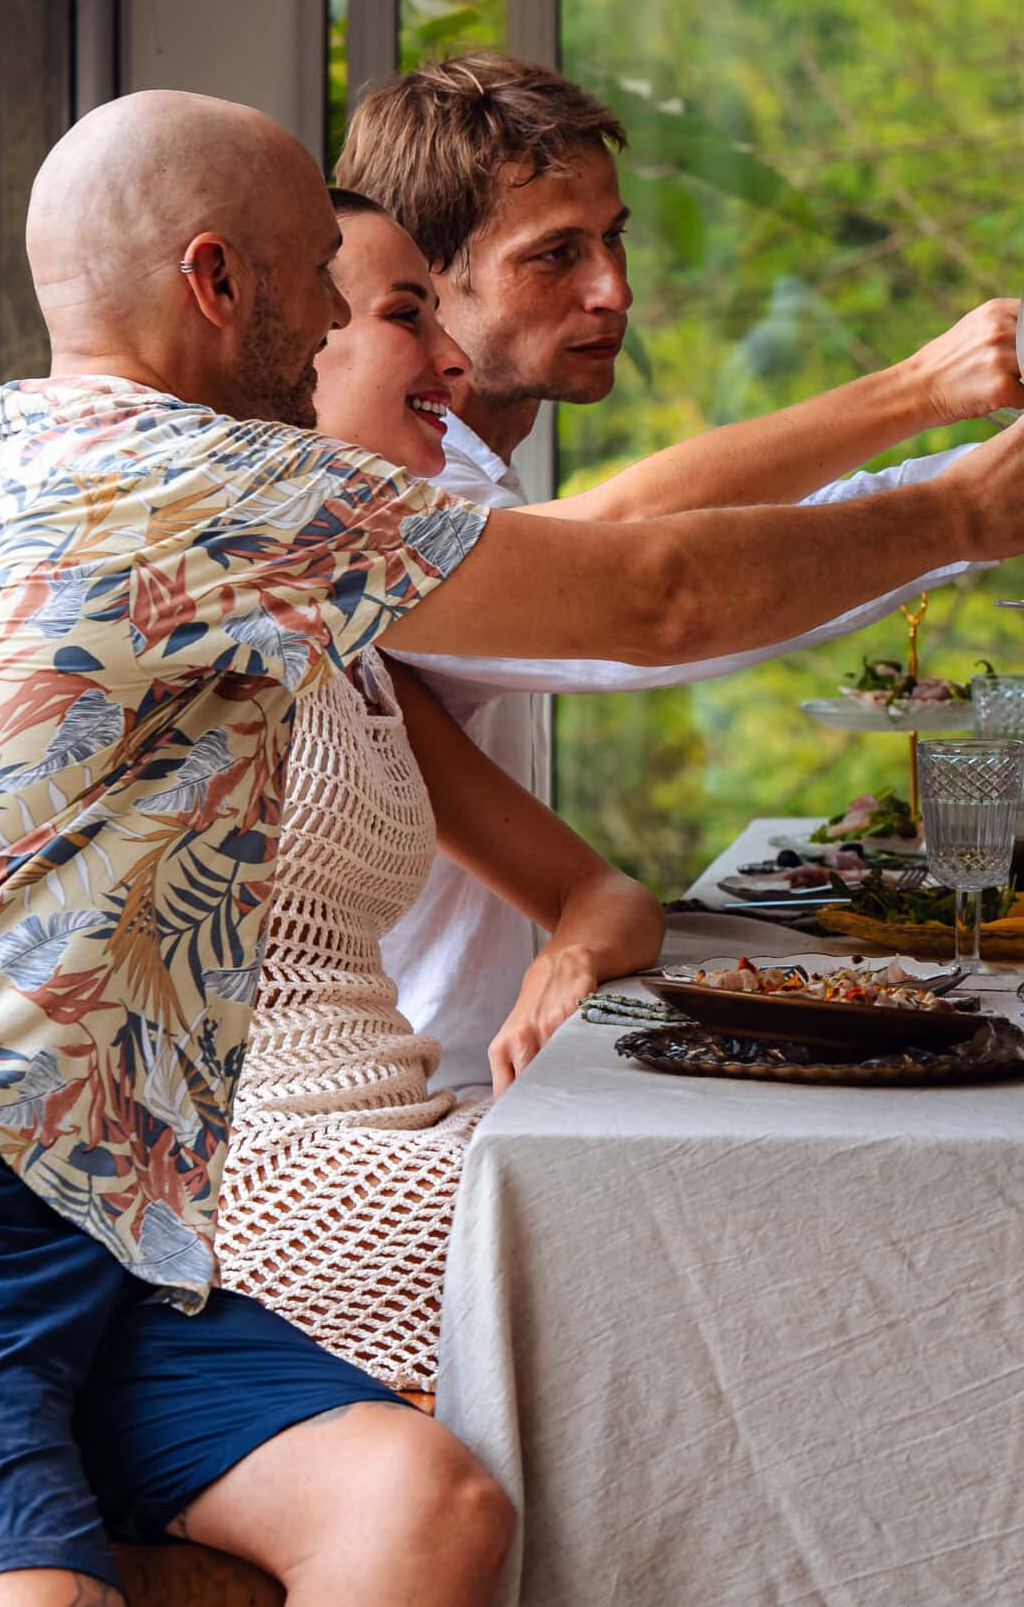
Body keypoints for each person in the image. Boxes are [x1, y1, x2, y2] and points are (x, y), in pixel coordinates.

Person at [0, 91, 1024, 1602]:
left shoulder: (36, 461)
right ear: (214, 281)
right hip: (4, 1191)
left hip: (122, 1220)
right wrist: (960, 507)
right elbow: (647, 589)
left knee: (425, 1507)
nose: (335, 319)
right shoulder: (197, 483)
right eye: (323, 274)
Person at [332, 53, 1024, 1095]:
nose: (613, 288)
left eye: (612, 239)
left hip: (477, 1081)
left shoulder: (465, 485)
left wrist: (1003, 478)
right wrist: (941, 433)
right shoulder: (352, 526)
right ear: (426, 280)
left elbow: (690, 544)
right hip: (386, 1114)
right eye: (555, 254)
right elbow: (650, 584)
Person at [214, 193, 669, 1395]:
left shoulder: (357, 643)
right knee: (690, 1244)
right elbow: (649, 582)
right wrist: (952, 476)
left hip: (402, 1125)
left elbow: (601, 891)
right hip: (265, 1168)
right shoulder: (201, 596)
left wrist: (572, 951)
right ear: (290, 347)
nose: (455, 362)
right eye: (407, 316)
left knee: (705, 1208)